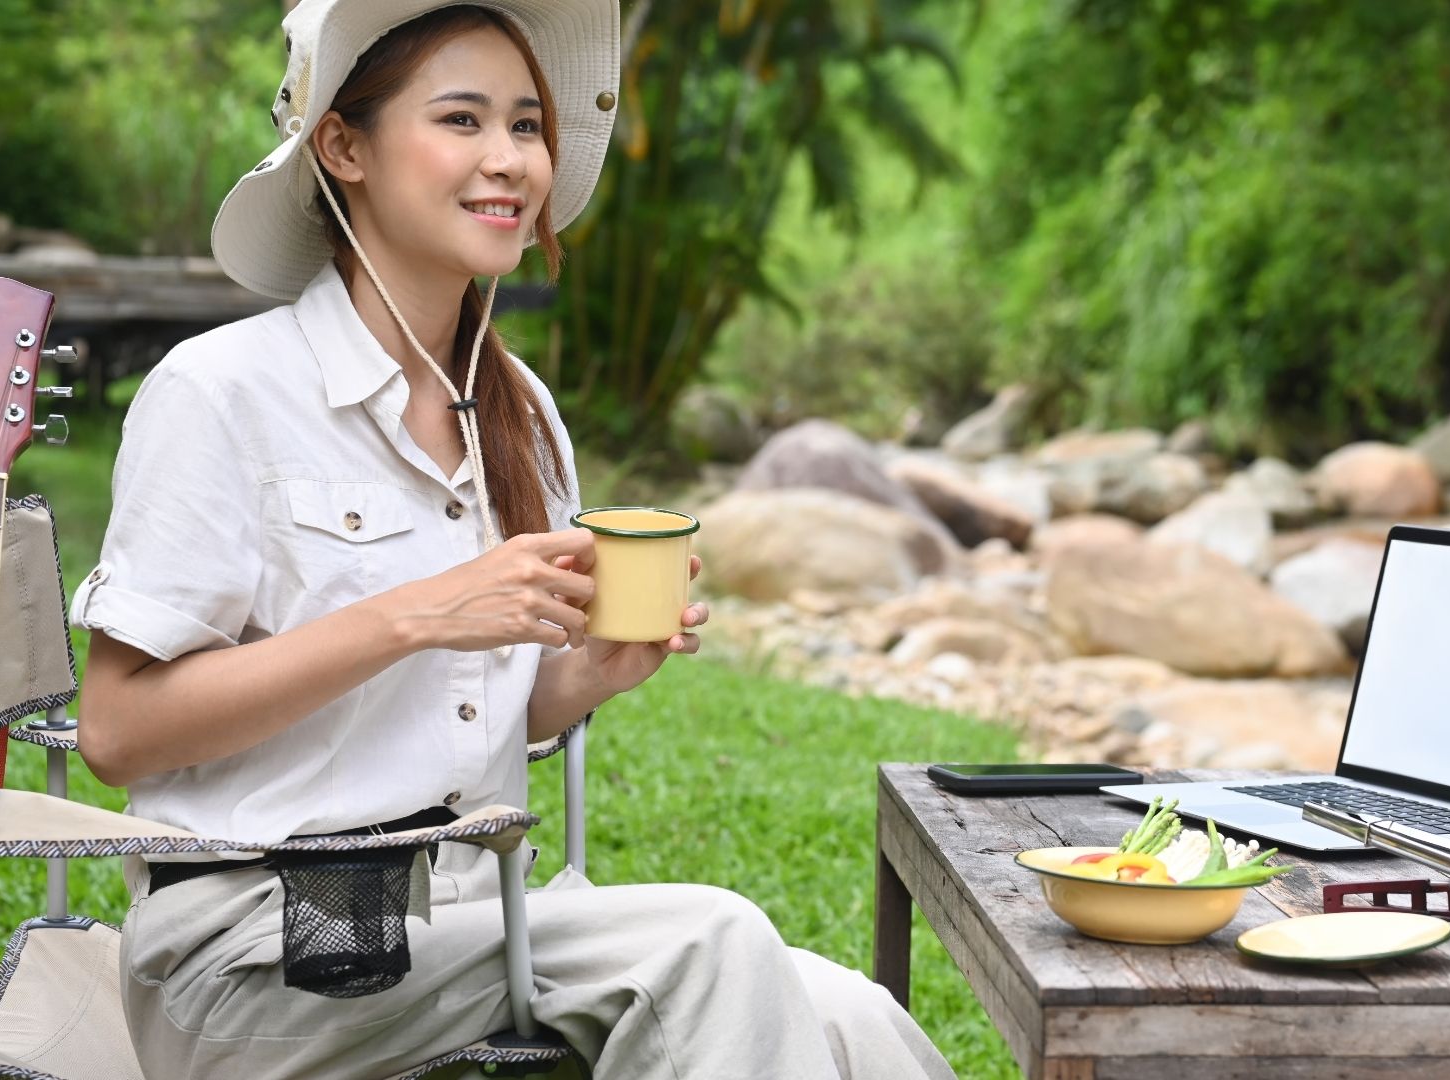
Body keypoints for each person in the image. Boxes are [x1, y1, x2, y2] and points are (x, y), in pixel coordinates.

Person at [68, 2, 957, 1077]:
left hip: (466, 919)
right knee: (710, 941)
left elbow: (467, 717)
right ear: (343, 147)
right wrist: (414, 617)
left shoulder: (517, 412)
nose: (509, 161)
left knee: (851, 1017)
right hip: (261, 952)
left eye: (528, 127)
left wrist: (587, 672)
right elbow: (118, 730)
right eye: (463, 120)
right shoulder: (222, 393)